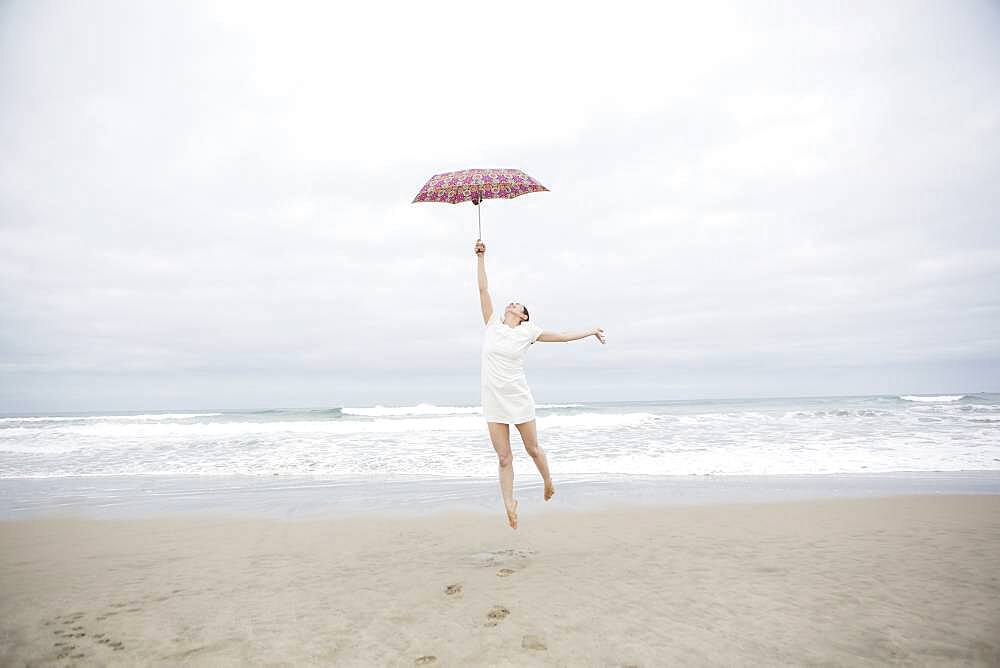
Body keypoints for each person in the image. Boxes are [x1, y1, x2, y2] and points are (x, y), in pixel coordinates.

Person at [475, 238, 606, 529]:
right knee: (504, 456)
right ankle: (509, 504)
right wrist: (481, 257)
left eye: (517, 304)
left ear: (522, 316)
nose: (511, 303)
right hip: (493, 399)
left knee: (532, 449)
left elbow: (560, 336)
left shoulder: (528, 332)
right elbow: (483, 289)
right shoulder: (492, 326)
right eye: (511, 302)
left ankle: (548, 481)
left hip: (518, 397)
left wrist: (590, 331)